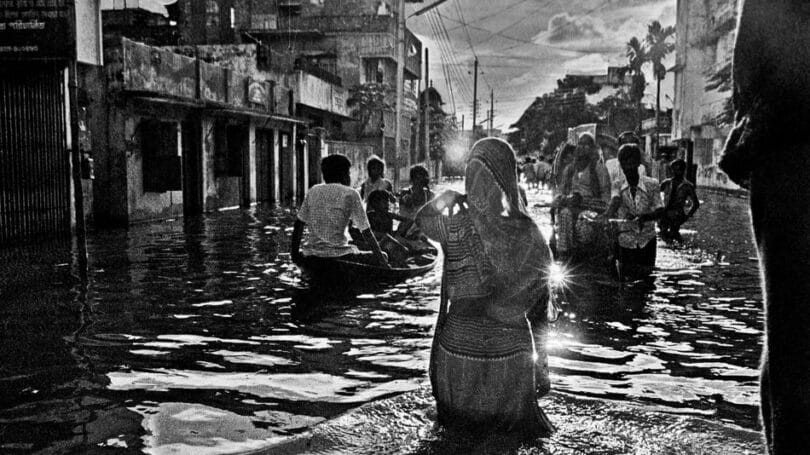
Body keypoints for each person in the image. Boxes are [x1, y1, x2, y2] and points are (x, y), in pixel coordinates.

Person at [416, 137, 555, 437]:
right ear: (508, 177)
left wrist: (445, 198)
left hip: (457, 352)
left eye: (475, 175)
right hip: (511, 355)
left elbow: (421, 219)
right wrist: (542, 364)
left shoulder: (454, 224)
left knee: (455, 440)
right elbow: (540, 307)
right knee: (509, 442)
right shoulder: (530, 233)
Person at [720, 1, 810, 452]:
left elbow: (748, 74)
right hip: (788, 146)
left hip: (786, 149)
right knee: (791, 342)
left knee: (790, 340)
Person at [290, 154, 389, 267]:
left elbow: (298, 225)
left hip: (312, 256)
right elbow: (366, 232)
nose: (349, 177)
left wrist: (295, 255)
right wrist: (383, 262)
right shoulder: (351, 193)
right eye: (348, 173)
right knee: (384, 255)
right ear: (343, 175)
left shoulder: (313, 190)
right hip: (339, 256)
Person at [606, 144, 664, 268]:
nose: (629, 168)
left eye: (632, 164)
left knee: (648, 277)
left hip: (647, 240)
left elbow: (660, 210)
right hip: (625, 240)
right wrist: (608, 215)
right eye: (625, 164)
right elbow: (615, 199)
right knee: (625, 277)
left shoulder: (652, 184)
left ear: (638, 164)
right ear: (621, 166)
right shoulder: (617, 184)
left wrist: (644, 217)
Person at [553, 133, 611, 256]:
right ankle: (565, 253)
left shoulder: (599, 168)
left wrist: (603, 210)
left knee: (585, 222)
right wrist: (564, 198)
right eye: (580, 144)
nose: (583, 148)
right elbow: (560, 190)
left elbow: (606, 193)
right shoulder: (569, 169)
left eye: (587, 145)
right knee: (564, 214)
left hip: (592, 208)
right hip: (571, 206)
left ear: (592, 149)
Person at [659, 159, 700, 240]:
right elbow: (656, 197)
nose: (676, 171)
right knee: (663, 234)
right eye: (674, 169)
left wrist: (687, 216)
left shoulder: (688, 186)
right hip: (665, 212)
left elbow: (696, 203)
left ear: (683, 170)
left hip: (677, 214)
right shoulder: (666, 183)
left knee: (674, 233)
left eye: (679, 169)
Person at [606, 131, 647, 199]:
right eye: (624, 144)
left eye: (632, 143)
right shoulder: (609, 164)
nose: (629, 147)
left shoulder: (641, 168)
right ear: (619, 147)